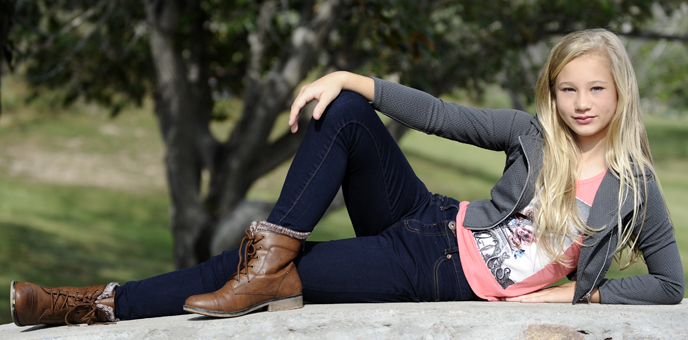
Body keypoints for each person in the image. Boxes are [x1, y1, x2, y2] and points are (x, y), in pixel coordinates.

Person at [10, 28, 684, 327]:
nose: (582, 103)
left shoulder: (636, 186)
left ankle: (87, 304)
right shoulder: (532, 134)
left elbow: (669, 284)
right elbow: (440, 114)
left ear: (619, 91)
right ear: (553, 93)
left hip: (434, 274)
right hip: (429, 221)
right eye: (568, 88)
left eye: (595, 87)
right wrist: (344, 77)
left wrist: (579, 301)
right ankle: (272, 254)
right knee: (350, 112)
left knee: (237, 267)